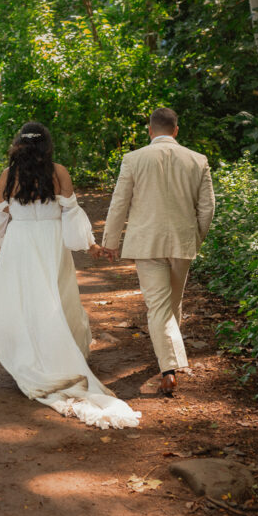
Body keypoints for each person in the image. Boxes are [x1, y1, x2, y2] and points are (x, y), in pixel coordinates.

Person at [0, 122, 141, 429]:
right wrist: (89, 245)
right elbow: (71, 214)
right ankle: (54, 357)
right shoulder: (59, 172)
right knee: (56, 300)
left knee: (23, 302)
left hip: (20, 244)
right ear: (47, 145)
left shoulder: (7, 175)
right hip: (51, 244)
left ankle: (30, 360)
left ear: (18, 144)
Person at [100, 107, 215, 397]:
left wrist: (110, 241)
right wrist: (195, 238)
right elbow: (207, 208)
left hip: (147, 242)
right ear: (176, 130)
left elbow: (119, 203)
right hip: (183, 241)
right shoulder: (197, 160)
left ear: (150, 131)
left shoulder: (134, 159)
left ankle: (169, 369)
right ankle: (170, 366)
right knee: (171, 304)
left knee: (161, 307)